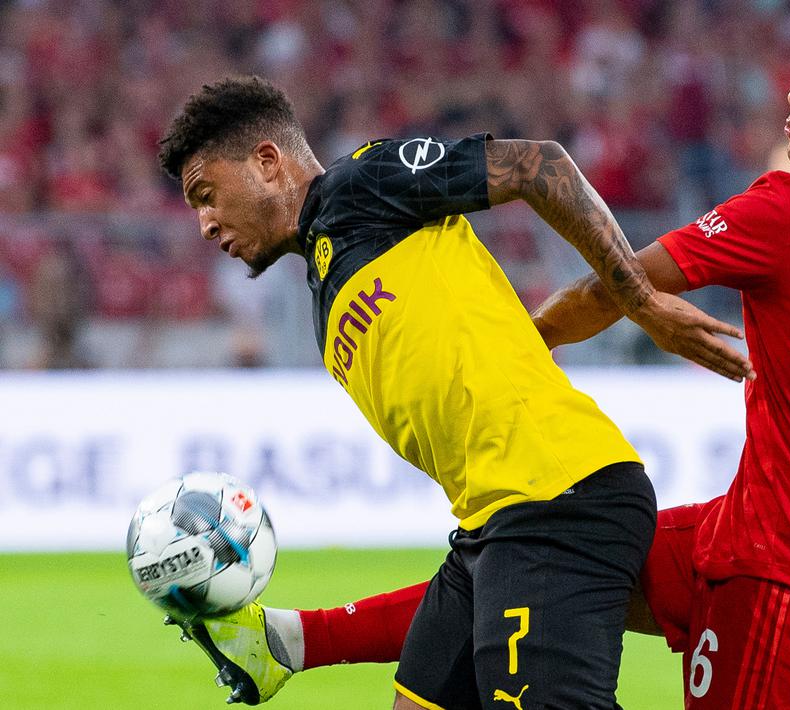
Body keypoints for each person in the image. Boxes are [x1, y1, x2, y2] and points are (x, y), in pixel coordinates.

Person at [175, 14, 790, 708]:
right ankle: (294, 641)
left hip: (783, 579)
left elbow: (621, 280)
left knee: (547, 562)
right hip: (768, 540)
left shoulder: (786, 212)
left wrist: (533, 337)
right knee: (533, 576)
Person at [156, 75, 754, 710]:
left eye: (207, 194)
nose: (204, 223)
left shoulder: (364, 183)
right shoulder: (323, 277)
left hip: (556, 497)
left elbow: (537, 163)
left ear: (268, 162)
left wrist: (641, 300)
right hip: (490, 522)